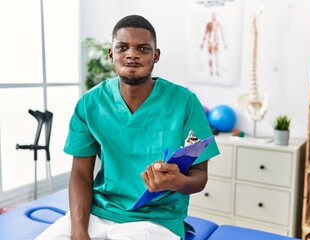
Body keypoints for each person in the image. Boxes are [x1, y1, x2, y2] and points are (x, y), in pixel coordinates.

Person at [35, 15, 219, 240]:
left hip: (155, 220)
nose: (132, 54)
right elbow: (81, 174)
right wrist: (79, 231)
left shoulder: (185, 103)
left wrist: (178, 182)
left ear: (156, 55)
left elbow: (199, 176)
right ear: (111, 54)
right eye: (123, 47)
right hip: (99, 212)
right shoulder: (90, 104)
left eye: (143, 48)